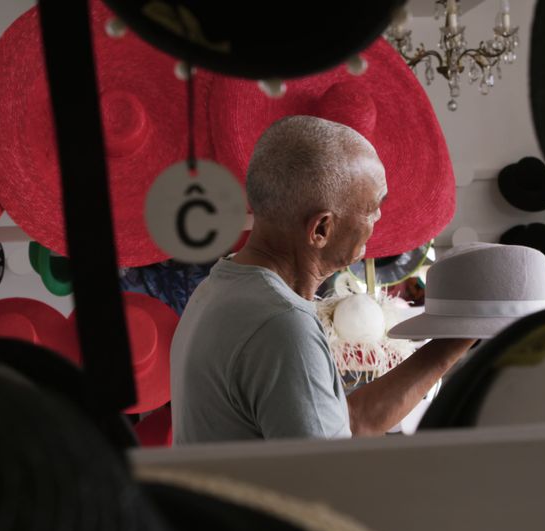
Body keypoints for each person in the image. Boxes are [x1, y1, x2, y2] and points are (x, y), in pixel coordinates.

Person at [171, 116, 475, 444]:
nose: (379, 218)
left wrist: (450, 346)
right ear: (321, 230)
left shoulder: (225, 286)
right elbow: (329, 476)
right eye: (373, 207)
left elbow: (350, 422)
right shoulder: (281, 325)